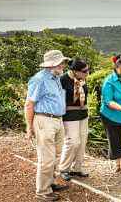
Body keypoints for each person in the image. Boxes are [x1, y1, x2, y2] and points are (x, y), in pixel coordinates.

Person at [25, 50, 70, 201]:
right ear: (52, 65)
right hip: (44, 120)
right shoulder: (39, 79)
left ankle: (50, 183)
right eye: (61, 63)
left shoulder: (55, 77)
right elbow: (29, 104)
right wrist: (29, 127)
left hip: (57, 120)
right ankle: (42, 191)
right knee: (47, 158)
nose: (64, 65)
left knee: (56, 155)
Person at [59, 59, 90, 181]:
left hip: (82, 113)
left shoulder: (82, 79)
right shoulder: (63, 80)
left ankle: (77, 168)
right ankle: (64, 168)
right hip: (69, 114)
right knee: (73, 142)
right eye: (84, 71)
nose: (87, 73)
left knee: (82, 141)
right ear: (75, 71)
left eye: (88, 69)